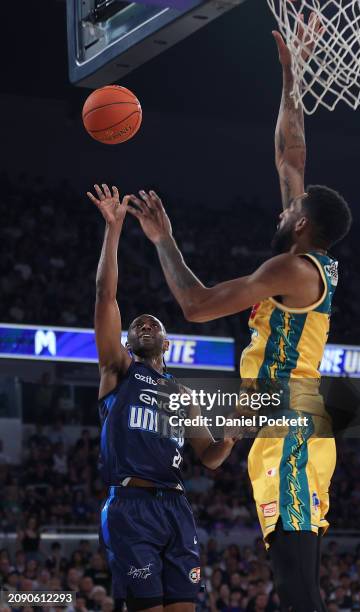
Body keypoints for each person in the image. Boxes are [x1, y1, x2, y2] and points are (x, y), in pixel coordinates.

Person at [125, 21, 352, 612]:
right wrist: (292, 72)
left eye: (293, 205)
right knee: (291, 575)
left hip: (291, 417)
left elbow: (196, 306)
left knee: (297, 582)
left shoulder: (292, 269)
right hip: (274, 409)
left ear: (302, 225)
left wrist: (162, 238)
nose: (286, 198)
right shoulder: (301, 257)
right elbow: (289, 153)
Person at [87, 184, 238, 612]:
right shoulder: (117, 370)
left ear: (168, 344)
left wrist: (227, 438)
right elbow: (105, 296)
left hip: (176, 506)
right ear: (129, 342)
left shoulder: (182, 393)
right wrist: (113, 229)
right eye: (139, 325)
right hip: (131, 505)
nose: (146, 325)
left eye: (154, 323)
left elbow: (207, 457)